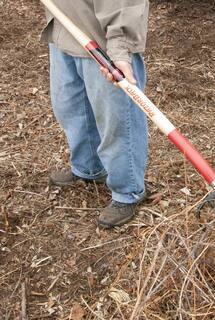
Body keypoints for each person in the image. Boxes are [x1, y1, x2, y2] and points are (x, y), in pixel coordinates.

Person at [41, 0, 149, 228]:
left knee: (117, 121)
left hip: (103, 45)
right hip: (65, 29)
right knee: (70, 107)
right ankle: (88, 167)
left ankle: (127, 190)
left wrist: (120, 49)